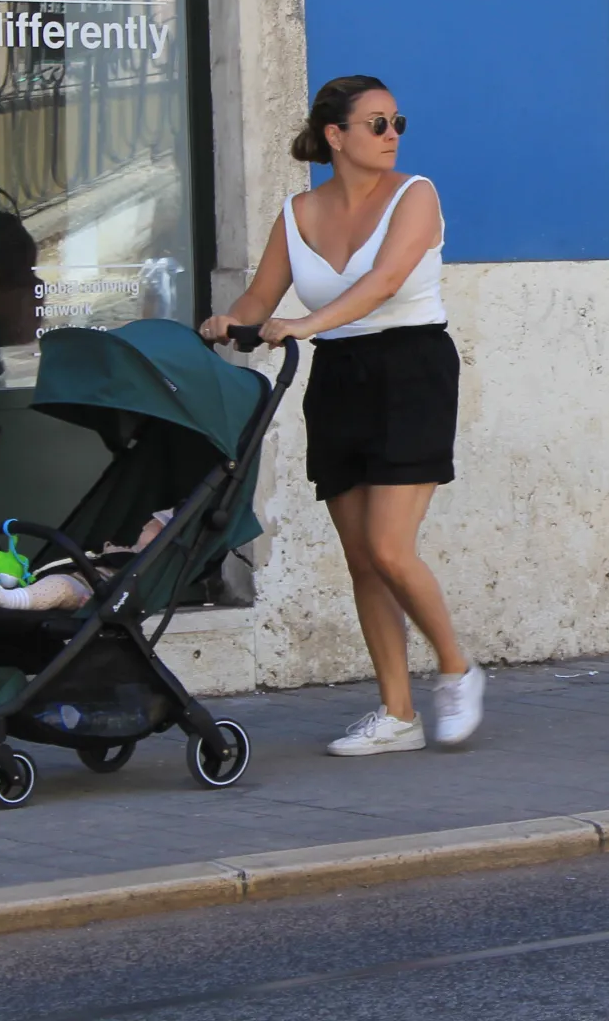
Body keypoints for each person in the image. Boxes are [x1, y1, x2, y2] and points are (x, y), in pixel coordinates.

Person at [200, 75, 481, 755]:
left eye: (396, 124)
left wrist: (308, 323)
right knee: (362, 560)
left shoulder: (416, 195)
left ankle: (457, 668)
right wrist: (226, 322)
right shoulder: (298, 213)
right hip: (338, 378)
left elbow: (383, 282)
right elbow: (260, 300)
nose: (392, 137)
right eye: (377, 125)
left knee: (390, 547)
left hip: (412, 368)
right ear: (336, 135)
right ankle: (397, 714)